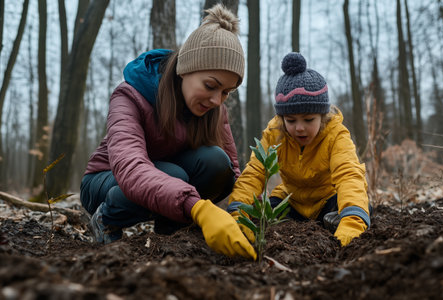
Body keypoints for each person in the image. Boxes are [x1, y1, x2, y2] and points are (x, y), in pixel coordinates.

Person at [80, 4, 256, 260]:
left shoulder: (214, 108)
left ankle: (171, 232)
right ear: (185, 69)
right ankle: (106, 218)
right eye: (210, 86)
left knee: (219, 164)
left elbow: (233, 170)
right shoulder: (129, 96)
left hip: (169, 178)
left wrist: (240, 211)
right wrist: (197, 208)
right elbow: (131, 168)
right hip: (108, 180)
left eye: (226, 92)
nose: (218, 100)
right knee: (175, 174)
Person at [227, 52, 371, 247]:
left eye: (308, 119)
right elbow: (255, 171)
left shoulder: (336, 134)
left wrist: (353, 221)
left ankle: (337, 219)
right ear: (281, 118)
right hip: (291, 200)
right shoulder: (275, 133)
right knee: (267, 215)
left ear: (322, 116)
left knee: (357, 207)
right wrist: (237, 212)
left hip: (327, 199)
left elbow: (349, 174)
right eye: (291, 121)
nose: (300, 128)